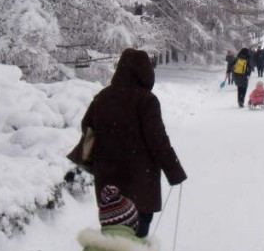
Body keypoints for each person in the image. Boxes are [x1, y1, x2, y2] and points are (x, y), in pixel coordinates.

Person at [80, 48, 187, 238]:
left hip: (108, 183)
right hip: (140, 183)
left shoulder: (103, 97)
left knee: (113, 235)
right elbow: (158, 140)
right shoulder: (146, 100)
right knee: (136, 239)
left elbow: (87, 129)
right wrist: (174, 171)